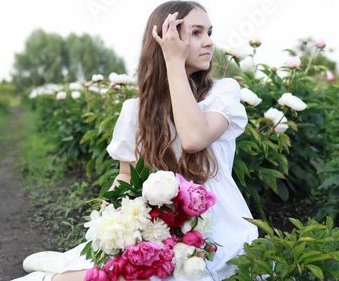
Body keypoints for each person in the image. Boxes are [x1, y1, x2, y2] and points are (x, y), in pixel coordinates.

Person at [13, 1, 258, 280]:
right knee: (135, 269)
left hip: (219, 225)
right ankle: (58, 274)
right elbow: (126, 175)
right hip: (163, 221)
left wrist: (175, 63)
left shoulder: (222, 94)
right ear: (165, 41)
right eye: (197, 33)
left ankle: (63, 270)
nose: (209, 43)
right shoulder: (137, 110)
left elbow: (193, 138)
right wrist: (111, 218)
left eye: (209, 33)